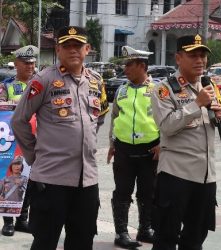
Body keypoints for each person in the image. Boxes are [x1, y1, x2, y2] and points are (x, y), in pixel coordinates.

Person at [11, 26, 109, 250]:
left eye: (78, 45)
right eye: (67, 45)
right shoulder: (43, 80)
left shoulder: (96, 81)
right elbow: (19, 120)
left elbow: (99, 118)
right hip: (51, 180)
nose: (73, 50)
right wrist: (34, 155)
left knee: (82, 241)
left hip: (87, 181)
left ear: (88, 49)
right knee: (45, 241)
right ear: (58, 49)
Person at [151, 34, 221, 250]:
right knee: (166, 236)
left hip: (206, 176)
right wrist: (196, 105)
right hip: (176, 174)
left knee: (197, 236)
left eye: (203, 55)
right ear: (178, 58)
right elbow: (166, 126)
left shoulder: (209, 85)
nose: (200, 60)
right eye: (193, 55)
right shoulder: (163, 89)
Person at [107, 45, 160, 249]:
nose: (125, 69)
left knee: (148, 192)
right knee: (122, 192)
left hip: (150, 151)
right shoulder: (122, 89)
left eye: (129, 64)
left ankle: (145, 230)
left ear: (142, 66)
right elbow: (115, 117)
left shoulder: (157, 90)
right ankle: (121, 233)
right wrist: (111, 144)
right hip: (124, 151)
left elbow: (165, 119)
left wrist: (162, 144)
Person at [0, 45, 38, 236]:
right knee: (10, 180)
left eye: (32, 63)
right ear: (16, 64)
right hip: (11, 142)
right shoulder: (6, 86)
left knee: (30, 181)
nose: (30, 66)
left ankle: (23, 219)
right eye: (26, 63)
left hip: (34, 142)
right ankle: (8, 221)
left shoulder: (40, 85)